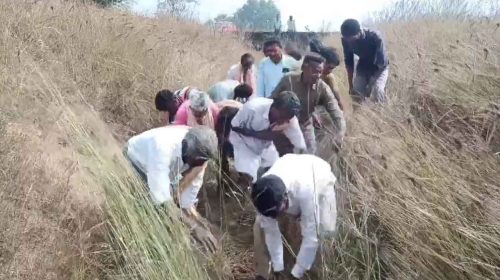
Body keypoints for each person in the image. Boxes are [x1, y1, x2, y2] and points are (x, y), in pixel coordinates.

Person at [124, 125, 219, 251]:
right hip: (137, 161)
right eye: (196, 160)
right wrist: (194, 227)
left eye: (202, 161)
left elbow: (185, 202)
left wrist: (200, 222)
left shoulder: (200, 157)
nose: (199, 164)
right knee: (149, 208)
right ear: (187, 147)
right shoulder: (162, 147)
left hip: (166, 168)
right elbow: (162, 201)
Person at [252, 154, 337, 280]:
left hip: (320, 179)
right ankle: (266, 272)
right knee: (260, 226)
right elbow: (271, 233)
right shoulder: (261, 193)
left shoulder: (306, 190)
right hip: (291, 167)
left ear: (285, 197)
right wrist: (278, 268)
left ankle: (315, 273)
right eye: (271, 215)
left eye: (277, 212)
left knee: (325, 232)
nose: (275, 217)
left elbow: (312, 237)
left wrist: (296, 274)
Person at [271, 53, 346, 154]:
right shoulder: (288, 80)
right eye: (315, 71)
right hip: (284, 125)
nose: (318, 75)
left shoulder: (322, 87)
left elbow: (336, 112)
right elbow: (272, 100)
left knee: (310, 156)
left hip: (305, 125)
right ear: (304, 67)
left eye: (320, 72)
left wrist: (340, 133)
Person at [229, 91, 306, 190]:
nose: (285, 120)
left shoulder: (289, 119)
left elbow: (300, 146)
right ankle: (239, 195)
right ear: (275, 107)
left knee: (275, 171)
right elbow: (234, 126)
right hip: (243, 141)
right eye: (283, 116)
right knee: (248, 174)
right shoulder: (252, 108)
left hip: (265, 145)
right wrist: (254, 134)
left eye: (289, 117)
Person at [341, 19, 389, 103]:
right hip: (363, 67)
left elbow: (382, 63)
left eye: (352, 39)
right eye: (347, 39)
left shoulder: (375, 37)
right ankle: (358, 115)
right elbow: (349, 63)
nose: (349, 42)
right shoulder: (345, 40)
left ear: (359, 32)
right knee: (356, 93)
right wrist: (350, 86)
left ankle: (381, 112)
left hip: (379, 68)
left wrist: (370, 84)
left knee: (377, 90)